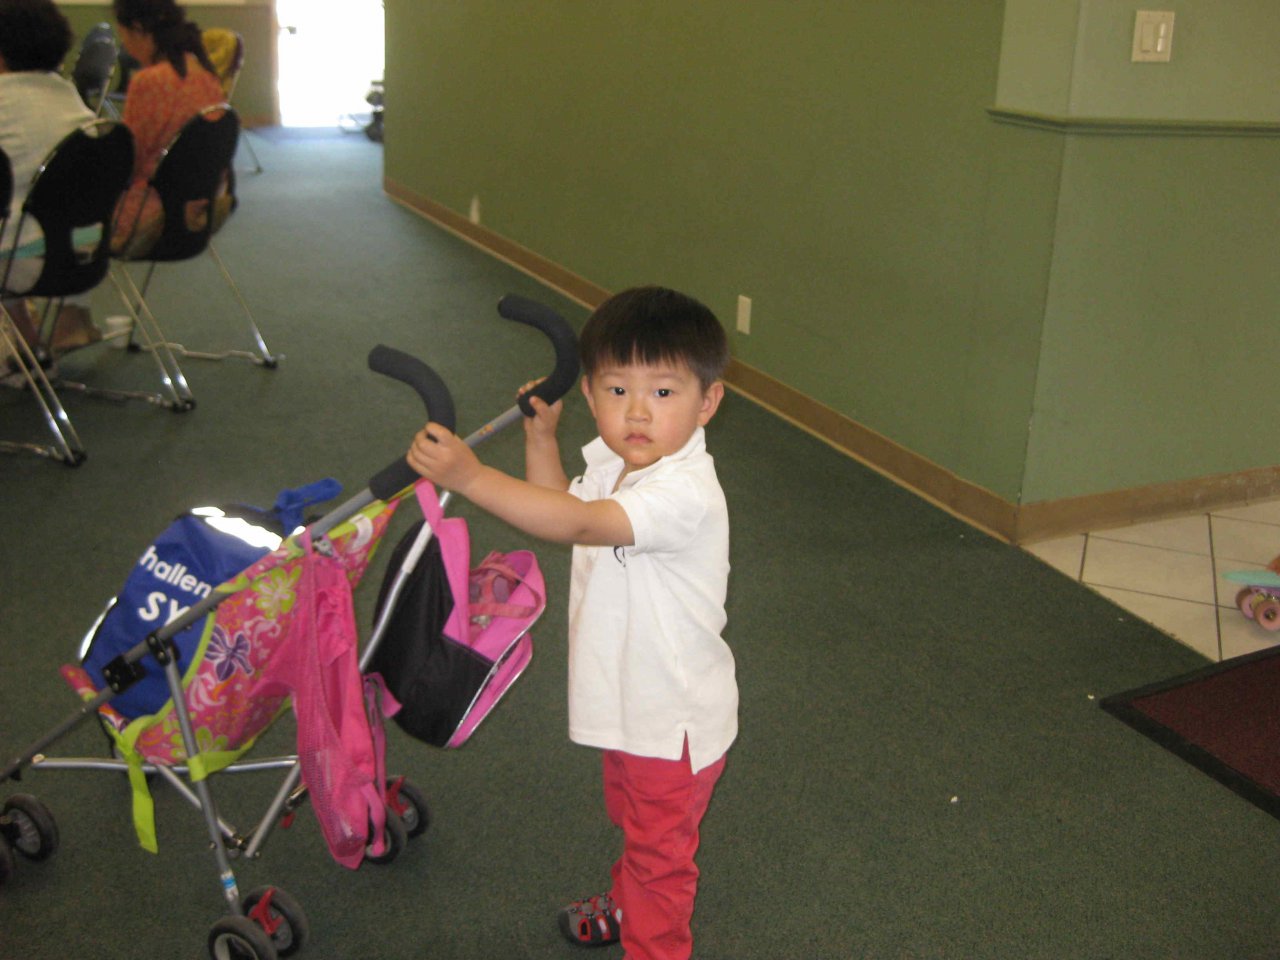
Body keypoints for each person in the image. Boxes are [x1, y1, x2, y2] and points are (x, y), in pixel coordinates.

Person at [407, 286, 737, 960]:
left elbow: (579, 524)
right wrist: (541, 436)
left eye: (663, 393)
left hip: (670, 721)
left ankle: (651, 939)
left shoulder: (684, 492)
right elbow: (558, 504)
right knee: (634, 824)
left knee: (660, 859)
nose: (637, 411)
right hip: (627, 700)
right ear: (589, 393)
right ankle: (627, 902)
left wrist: (471, 479)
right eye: (617, 390)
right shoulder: (618, 463)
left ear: (708, 402)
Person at [0, 0, 97, 364]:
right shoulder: (68, 97)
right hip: (86, 250)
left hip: (25, 259)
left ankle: (22, 348)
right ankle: (26, 346)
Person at [110, 0, 223, 256]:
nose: (124, 44)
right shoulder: (204, 72)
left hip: (155, 211)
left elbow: (131, 158)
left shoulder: (148, 81)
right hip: (204, 202)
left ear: (138, 29)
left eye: (123, 35)